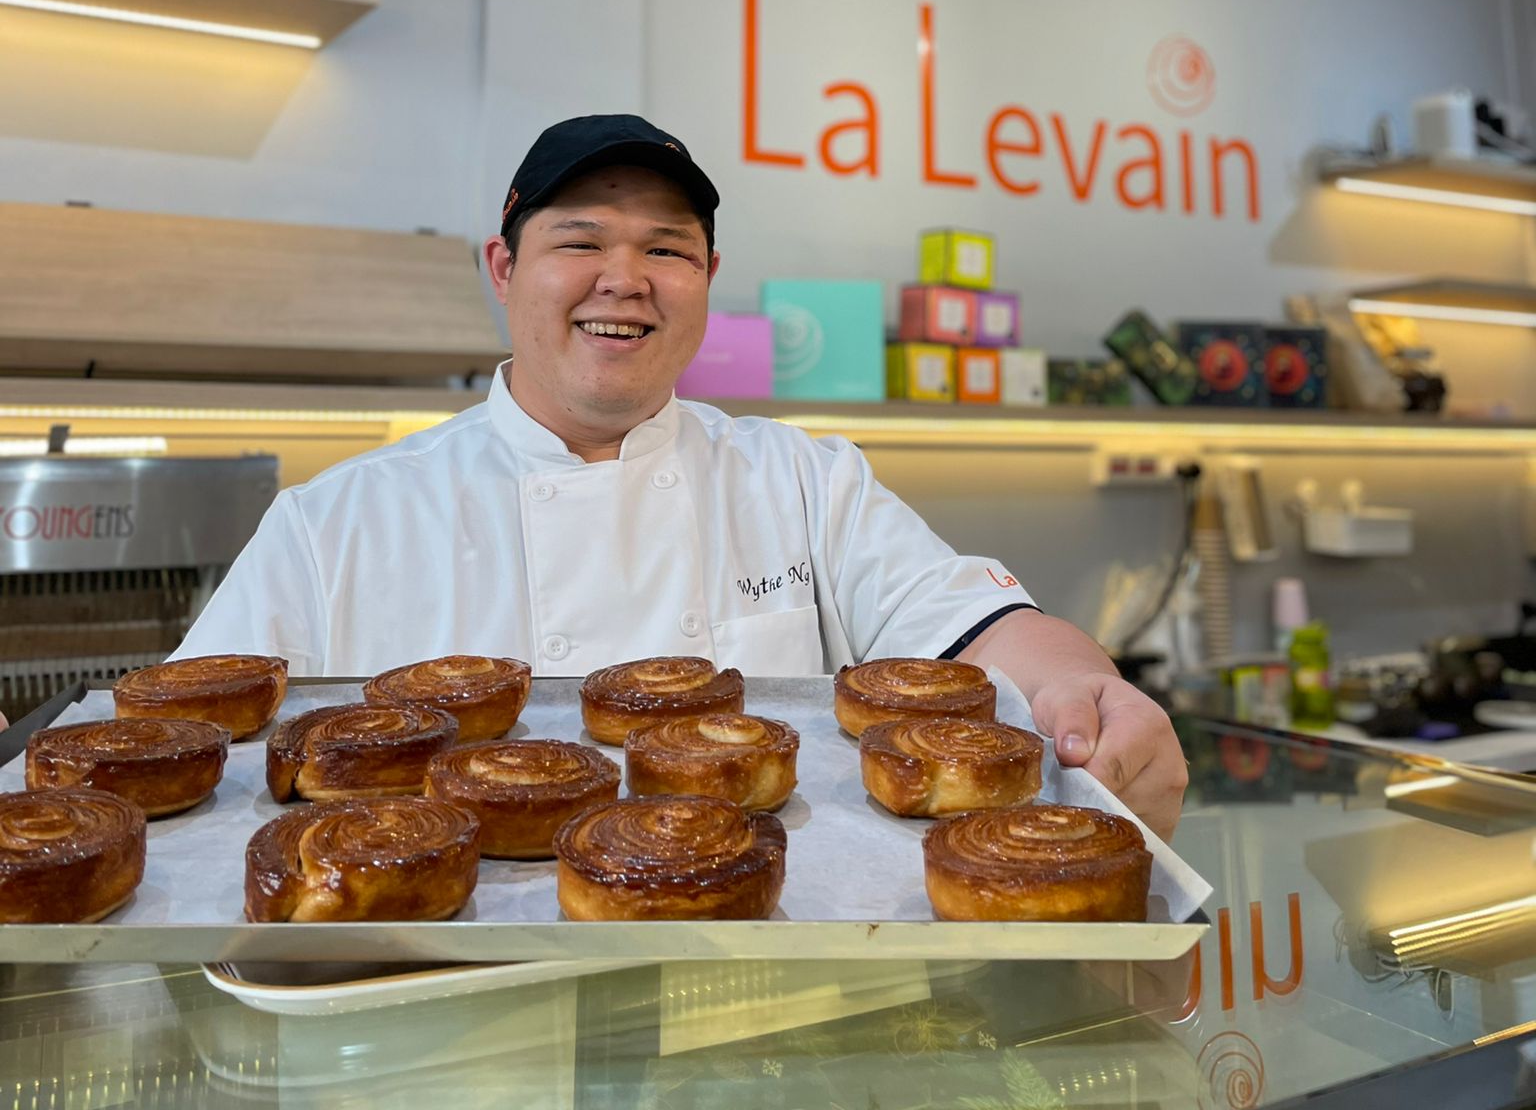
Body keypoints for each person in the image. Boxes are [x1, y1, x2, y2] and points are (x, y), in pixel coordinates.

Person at [178, 114, 1188, 838]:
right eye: (581, 240)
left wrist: (1087, 689)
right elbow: (187, 746)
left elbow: (971, 628)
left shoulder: (801, 479)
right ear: (501, 265)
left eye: (668, 247)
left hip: (756, 992)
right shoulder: (336, 519)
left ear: (707, 278)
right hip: (434, 1004)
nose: (626, 276)